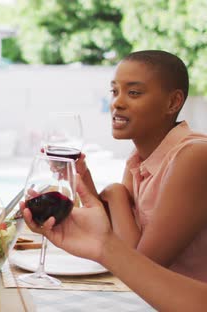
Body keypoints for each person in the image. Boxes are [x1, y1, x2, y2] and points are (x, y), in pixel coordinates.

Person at [75, 50, 207, 282]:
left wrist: (116, 193)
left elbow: (142, 266)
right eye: (114, 91)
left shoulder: (195, 156)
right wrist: (83, 181)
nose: (117, 102)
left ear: (173, 102)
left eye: (134, 93)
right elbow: (117, 239)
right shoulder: (140, 158)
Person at [20, 175, 207, 310]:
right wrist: (104, 245)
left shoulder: (195, 153)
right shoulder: (137, 163)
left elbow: (149, 259)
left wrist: (115, 193)